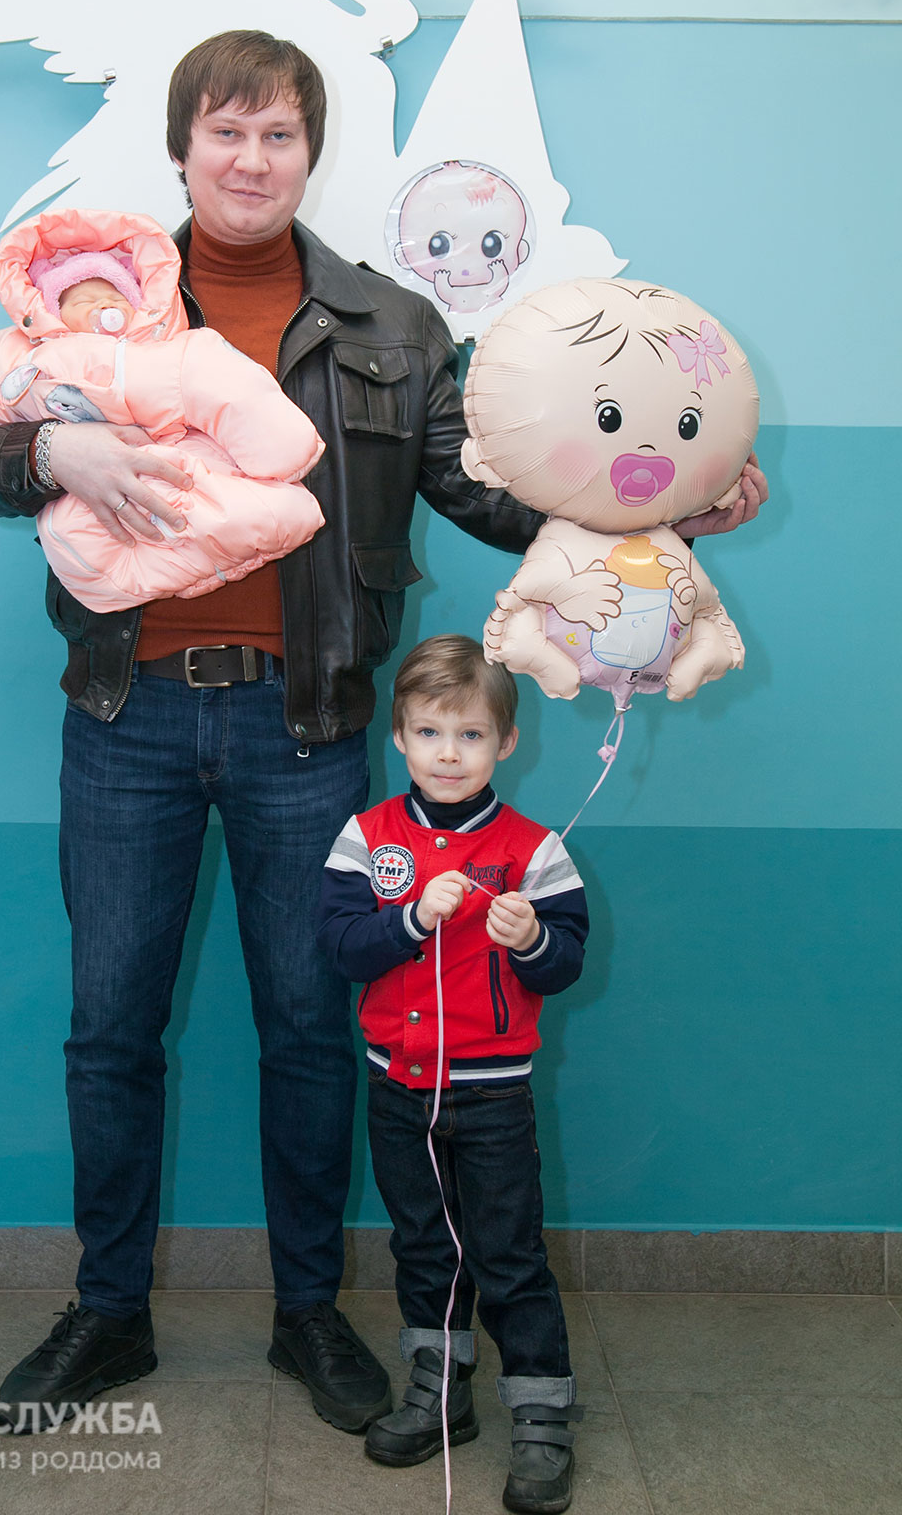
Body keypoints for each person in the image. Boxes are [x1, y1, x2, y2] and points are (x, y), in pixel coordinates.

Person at [0, 30, 766, 1437]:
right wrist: (48, 449)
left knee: (309, 1029)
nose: (250, 158)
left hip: (307, 727)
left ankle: (308, 1315)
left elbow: (488, 494)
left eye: (277, 134)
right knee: (109, 1031)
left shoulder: (394, 324)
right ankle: (108, 1312)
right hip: (126, 717)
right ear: (182, 150)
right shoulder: (96, 296)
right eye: (225, 132)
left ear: (310, 155)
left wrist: (673, 508)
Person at [318, 634, 587, 1513]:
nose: (447, 753)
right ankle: (440, 1392)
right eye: (430, 732)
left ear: (506, 743)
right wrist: (409, 921)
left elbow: (566, 962)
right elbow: (342, 948)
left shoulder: (535, 850)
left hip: (492, 1093)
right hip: (398, 1089)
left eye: (470, 735)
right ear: (399, 736)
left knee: (508, 1252)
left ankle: (541, 1412)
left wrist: (533, 938)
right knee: (425, 1246)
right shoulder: (366, 837)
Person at [0, 207, 325, 612]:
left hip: (178, 458)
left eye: (113, 295)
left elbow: (229, 389)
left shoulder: (171, 351)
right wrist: (48, 449)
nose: (102, 308)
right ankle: (155, 571)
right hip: (120, 624)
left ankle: (260, 513)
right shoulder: (25, 356)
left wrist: (285, 453)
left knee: (243, 497)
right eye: (81, 300)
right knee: (70, 537)